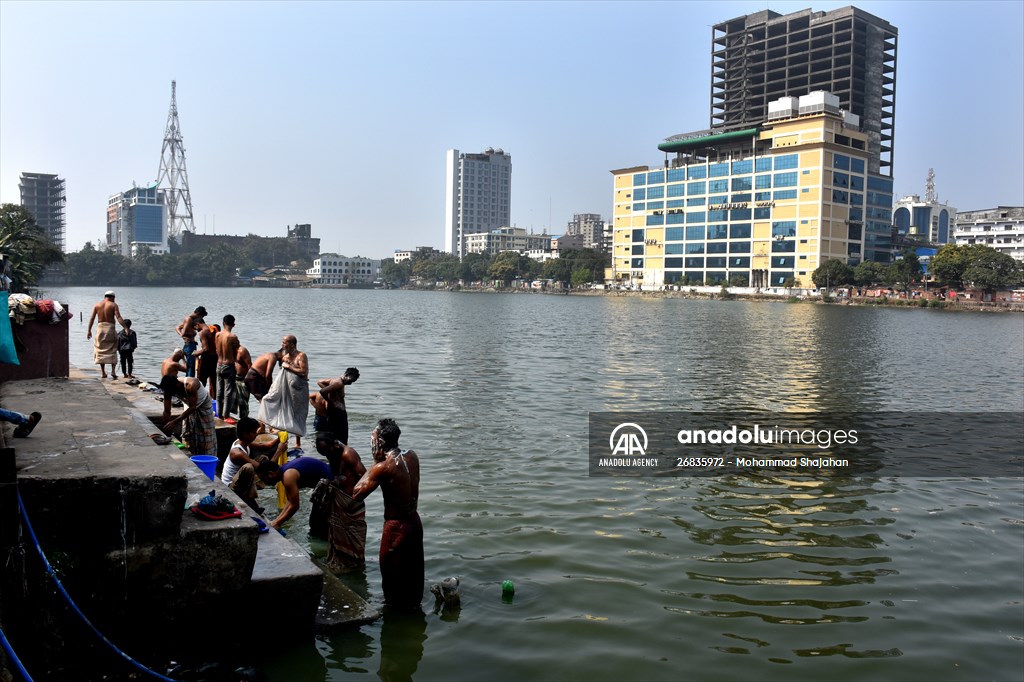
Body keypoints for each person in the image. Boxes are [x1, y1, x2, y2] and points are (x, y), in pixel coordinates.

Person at [353, 418, 423, 610]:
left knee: (391, 579)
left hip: (396, 528)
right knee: (414, 574)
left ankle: (392, 615)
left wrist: (375, 462)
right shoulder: (413, 456)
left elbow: (356, 494)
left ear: (379, 443)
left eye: (373, 438)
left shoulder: (383, 466)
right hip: (415, 523)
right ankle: (414, 610)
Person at [315, 433, 368, 569]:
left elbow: (365, 477)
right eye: (324, 453)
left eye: (327, 451)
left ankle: (355, 564)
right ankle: (340, 562)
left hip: (351, 502)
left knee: (354, 536)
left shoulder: (348, 454)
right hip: (339, 499)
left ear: (335, 445)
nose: (327, 455)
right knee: (335, 531)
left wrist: (355, 499)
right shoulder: (333, 453)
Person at [222, 417, 282, 513]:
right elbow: (260, 468)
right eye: (254, 432)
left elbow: (264, 446)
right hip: (230, 486)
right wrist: (279, 452)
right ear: (246, 434)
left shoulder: (244, 442)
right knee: (249, 467)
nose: (256, 434)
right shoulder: (238, 453)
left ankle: (253, 490)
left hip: (239, 479)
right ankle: (249, 499)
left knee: (263, 457)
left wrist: (280, 439)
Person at [257, 335, 308, 446]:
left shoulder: (301, 356)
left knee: (298, 413)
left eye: (285, 342)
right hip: (286, 389)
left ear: (292, 344)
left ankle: (298, 443)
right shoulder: (285, 357)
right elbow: (281, 376)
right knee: (269, 401)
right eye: (282, 342)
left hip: (299, 390)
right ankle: (281, 435)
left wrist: (289, 367)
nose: (282, 344)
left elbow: (304, 372)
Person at [266, 453, 332, 534]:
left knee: (320, 526)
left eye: (263, 478)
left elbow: (294, 506)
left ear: (270, 474)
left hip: (332, 485)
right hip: (323, 486)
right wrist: (276, 521)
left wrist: (277, 523)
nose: (265, 483)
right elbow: (290, 501)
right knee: (315, 523)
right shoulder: (284, 471)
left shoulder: (288, 475)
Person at [160, 374, 216, 457]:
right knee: (188, 433)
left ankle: (208, 457)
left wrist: (174, 422)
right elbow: (167, 411)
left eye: (172, 392)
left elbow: (193, 407)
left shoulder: (191, 385)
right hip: (189, 403)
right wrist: (167, 429)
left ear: (177, 385)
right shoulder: (168, 389)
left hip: (203, 405)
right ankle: (192, 454)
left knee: (206, 436)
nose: (171, 394)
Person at [310, 367, 359, 445]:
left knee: (334, 437)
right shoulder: (338, 383)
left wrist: (331, 393)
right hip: (337, 414)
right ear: (346, 375)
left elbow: (319, 382)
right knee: (342, 439)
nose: (350, 383)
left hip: (334, 413)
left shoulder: (335, 380)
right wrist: (331, 401)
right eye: (350, 381)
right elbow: (322, 391)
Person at [86, 291, 125, 379]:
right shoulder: (113, 305)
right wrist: (125, 327)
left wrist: (89, 330)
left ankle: (103, 373)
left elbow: (92, 318)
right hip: (110, 329)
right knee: (113, 348)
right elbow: (118, 317)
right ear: (112, 297)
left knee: (100, 350)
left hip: (100, 329)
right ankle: (113, 371)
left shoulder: (97, 305)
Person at [215, 315, 240, 419]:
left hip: (219, 364)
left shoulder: (217, 334)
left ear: (223, 323)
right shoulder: (232, 337)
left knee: (219, 391)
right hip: (228, 365)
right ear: (233, 324)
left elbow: (217, 349)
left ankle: (218, 414)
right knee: (228, 392)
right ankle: (226, 415)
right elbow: (238, 351)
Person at [175, 307, 207, 378]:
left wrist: (188, 337)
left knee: (191, 366)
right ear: (198, 314)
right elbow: (185, 332)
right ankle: (189, 385)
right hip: (189, 346)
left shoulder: (191, 319)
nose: (201, 318)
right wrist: (191, 333)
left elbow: (178, 327)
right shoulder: (189, 319)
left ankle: (188, 383)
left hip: (190, 344)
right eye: (201, 316)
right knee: (191, 368)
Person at [195, 322, 219, 403]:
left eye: (195, 326)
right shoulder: (211, 332)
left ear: (198, 324)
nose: (195, 329)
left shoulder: (202, 332)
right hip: (214, 358)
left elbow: (205, 349)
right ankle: (214, 401)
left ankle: (199, 400)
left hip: (206, 359)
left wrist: (196, 353)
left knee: (201, 382)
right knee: (214, 382)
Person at [235, 344, 253, 419]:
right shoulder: (230, 350)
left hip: (243, 379)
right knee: (234, 400)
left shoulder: (242, 351)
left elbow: (250, 365)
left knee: (243, 402)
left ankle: (244, 419)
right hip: (235, 378)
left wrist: (248, 379)